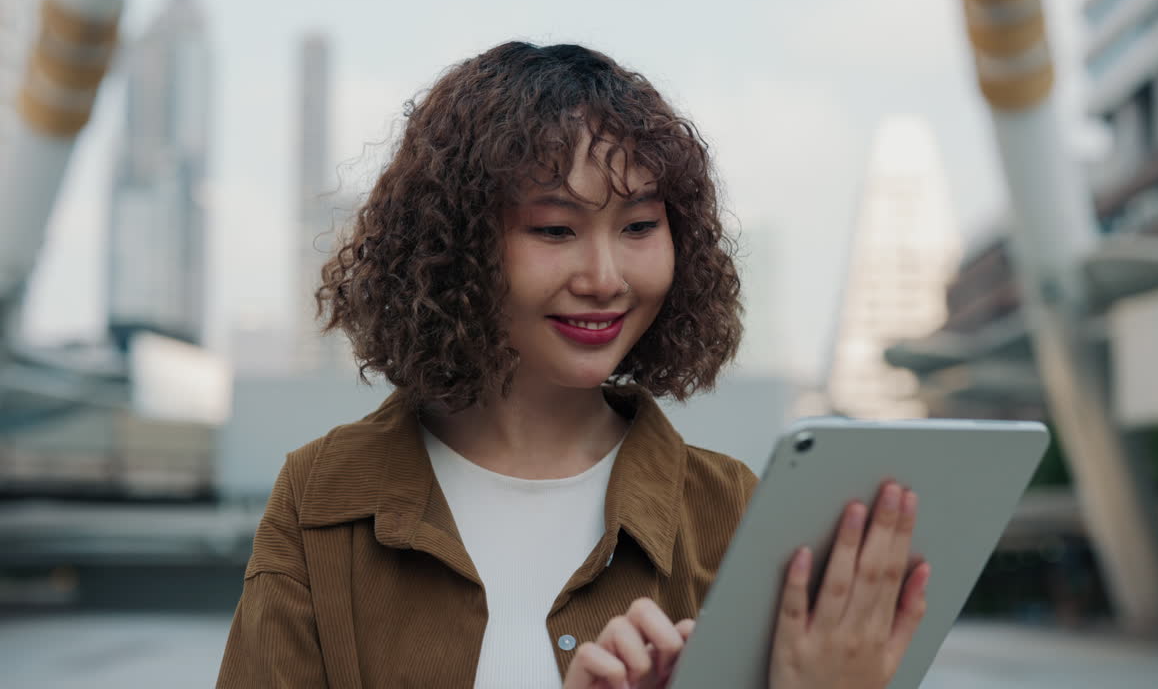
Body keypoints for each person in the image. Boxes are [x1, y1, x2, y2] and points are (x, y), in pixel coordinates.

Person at [216, 41, 929, 689]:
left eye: (641, 227)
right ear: (457, 248)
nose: (604, 276)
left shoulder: (733, 513)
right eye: (556, 229)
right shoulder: (323, 499)